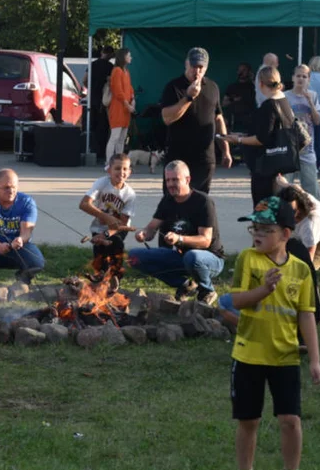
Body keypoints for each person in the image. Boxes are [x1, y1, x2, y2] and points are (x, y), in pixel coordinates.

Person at [219, 196, 320, 470]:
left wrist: (315, 360)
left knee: (290, 419)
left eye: (266, 230)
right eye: (255, 229)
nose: (258, 235)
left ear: (285, 235)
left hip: (286, 357)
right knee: (248, 419)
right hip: (249, 354)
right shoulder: (247, 260)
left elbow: (307, 317)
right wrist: (264, 289)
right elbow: (236, 300)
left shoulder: (301, 270)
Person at [128, 160, 224, 305]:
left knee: (192, 256)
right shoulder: (168, 200)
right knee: (133, 257)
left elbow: (205, 240)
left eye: (175, 180)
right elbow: (152, 227)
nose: (171, 184)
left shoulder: (203, 201)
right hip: (183, 257)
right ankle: (185, 285)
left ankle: (207, 290)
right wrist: (143, 234)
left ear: (187, 179)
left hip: (210, 259)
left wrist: (179, 239)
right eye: (168, 180)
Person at [160, 47, 231, 193]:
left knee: (200, 202)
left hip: (204, 157)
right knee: (174, 201)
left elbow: (218, 119)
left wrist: (226, 150)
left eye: (201, 67)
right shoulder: (174, 87)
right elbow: (167, 118)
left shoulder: (212, 87)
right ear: (186, 64)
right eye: (194, 66)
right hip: (178, 156)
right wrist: (188, 97)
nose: (197, 71)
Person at [227, 66, 291, 204]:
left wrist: (238, 139)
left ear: (260, 83)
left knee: (264, 210)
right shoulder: (284, 102)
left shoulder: (269, 106)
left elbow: (261, 139)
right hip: (280, 163)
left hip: (266, 168)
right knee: (276, 209)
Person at [0, 168, 46, 285]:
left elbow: (27, 231)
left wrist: (21, 239)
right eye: (6, 187)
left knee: (38, 262)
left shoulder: (27, 202)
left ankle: (22, 279)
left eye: (14, 187)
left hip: (18, 247)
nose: (11, 191)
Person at [80, 153, 136, 266]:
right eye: (117, 168)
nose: (121, 172)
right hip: (98, 226)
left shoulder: (130, 194)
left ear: (129, 172)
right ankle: (100, 277)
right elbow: (84, 204)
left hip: (119, 228)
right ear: (109, 170)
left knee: (116, 245)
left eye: (125, 169)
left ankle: (115, 275)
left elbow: (123, 223)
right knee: (100, 256)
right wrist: (105, 217)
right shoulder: (102, 183)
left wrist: (105, 235)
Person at [276, 183, 320, 269]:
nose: (287, 214)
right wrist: (283, 182)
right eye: (283, 210)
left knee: (304, 268)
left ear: (300, 207)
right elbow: (296, 188)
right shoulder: (301, 196)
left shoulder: (309, 225)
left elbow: (309, 257)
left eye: (292, 211)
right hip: (315, 232)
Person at [284, 64, 320, 198]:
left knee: (312, 191)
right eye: (298, 76)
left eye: (304, 76)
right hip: (289, 149)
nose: (301, 79)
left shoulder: (313, 95)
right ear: (293, 77)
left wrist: (310, 103)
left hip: (307, 150)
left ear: (309, 79)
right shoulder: (285, 97)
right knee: (284, 189)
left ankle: (317, 217)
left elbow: (318, 121)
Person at [105, 48, 134, 162]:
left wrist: (133, 98)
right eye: (129, 55)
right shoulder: (116, 71)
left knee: (122, 138)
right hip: (118, 108)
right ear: (123, 57)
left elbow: (129, 88)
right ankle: (108, 162)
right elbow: (117, 90)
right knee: (115, 137)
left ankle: (119, 161)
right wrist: (128, 104)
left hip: (126, 109)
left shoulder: (126, 72)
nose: (130, 57)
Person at [89, 45, 114, 161]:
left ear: (101, 52)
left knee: (91, 126)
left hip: (92, 100)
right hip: (104, 101)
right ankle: (101, 153)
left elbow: (85, 79)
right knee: (103, 127)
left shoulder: (93, 64)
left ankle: (91, 149)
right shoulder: (110, 67)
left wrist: (91, 89)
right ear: (110, 55)